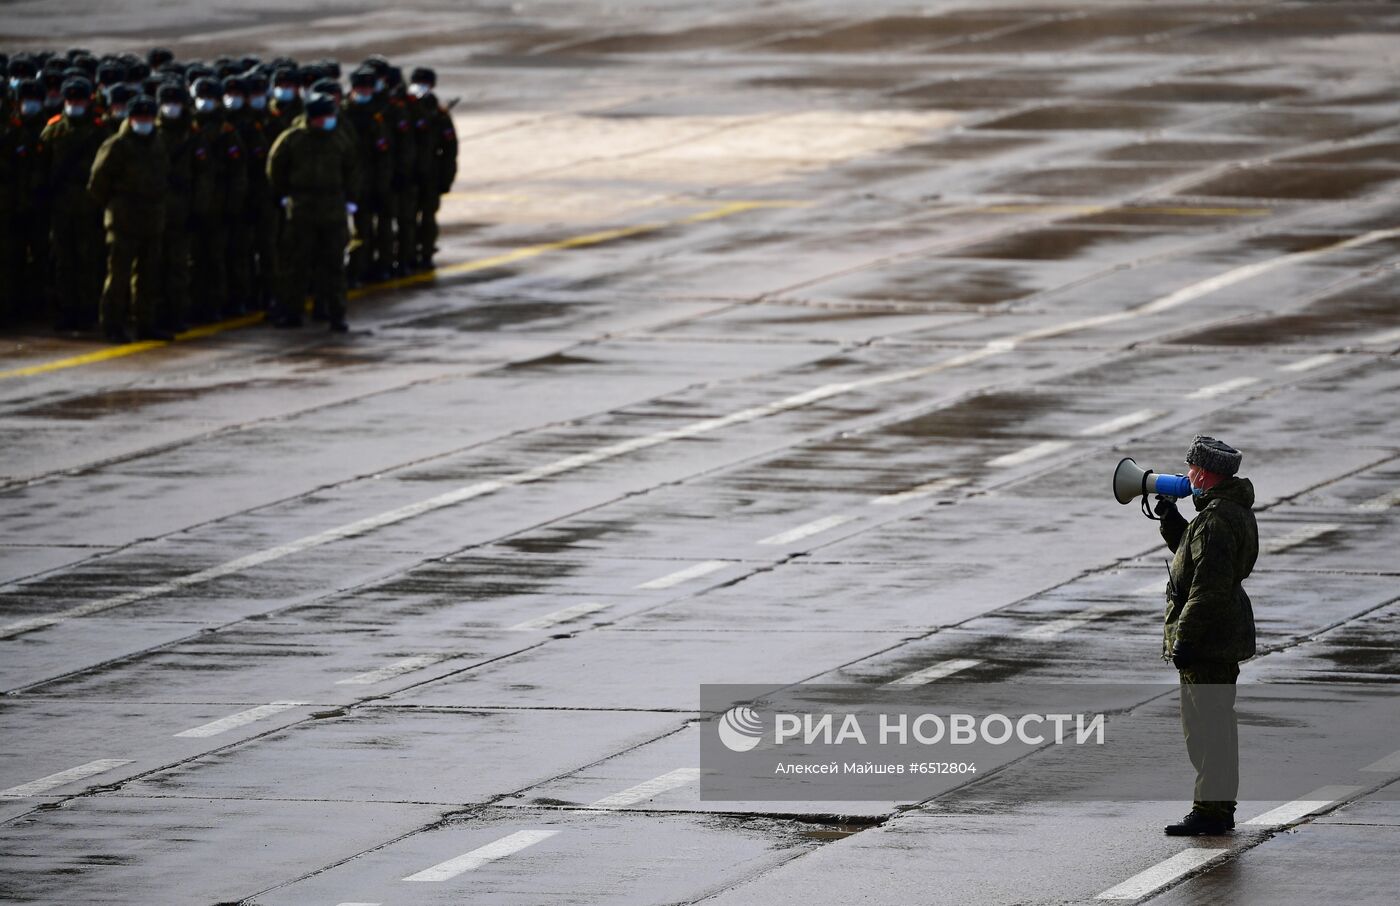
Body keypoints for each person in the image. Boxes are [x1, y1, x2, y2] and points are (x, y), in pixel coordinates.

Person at [1153, 435, 1257, 836]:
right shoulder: (1223, 512)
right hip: (1219, 635)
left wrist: (1186, 638)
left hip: (1209, 640)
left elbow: (1207, 588)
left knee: (1207, 729)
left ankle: (1211, 810)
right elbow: (1197, 559)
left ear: (1206, 472)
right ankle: (1215, 807)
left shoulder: (1216, 519)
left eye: (1193, 469)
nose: (1188, 475)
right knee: (1212, 726)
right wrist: (1173, 525)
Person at [267, 94, 359, 332]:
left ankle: (335, 313)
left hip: (333, 209)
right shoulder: (293, 140)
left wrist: (350, 199)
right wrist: (286, 194)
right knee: (297, 264)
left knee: (334, 266)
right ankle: (292, 312)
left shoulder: (339, 140)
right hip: (303, 210)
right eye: (325, 117)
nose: (329, 120)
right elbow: (275, 167)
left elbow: (353, 170)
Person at [89, 94, 169, 342]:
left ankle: (146, 324)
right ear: (130, 118)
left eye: (148, 117)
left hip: (151, 219)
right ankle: (112, 325)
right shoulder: (117, 145)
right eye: (139, 117)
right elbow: (97, 182)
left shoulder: (158, 143)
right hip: (124, 220)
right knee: (118, 277)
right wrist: (115, 206)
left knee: (148, 276)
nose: (143, 121)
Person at [40, 76, 107, 331]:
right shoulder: (54, 129)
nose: (74, 104)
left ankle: (88, 309)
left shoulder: (99, 130)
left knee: (89, 259)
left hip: (89, 206)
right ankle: (67, 309)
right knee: (64, 260)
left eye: (79, 99)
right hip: (61, 208)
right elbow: (42, 167)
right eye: (71, 99)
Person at [156, 82, 207, 333]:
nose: (171, 108)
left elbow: (202, 177)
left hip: (182, 212)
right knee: (152, 267)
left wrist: (198, 209)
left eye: (176, 103)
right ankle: (151, 315)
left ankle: (176, 315)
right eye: (167, 103)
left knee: (177, 267)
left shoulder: (192, 136)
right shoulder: (151, 135)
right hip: (153, 213)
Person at [407, 67, 455, 271]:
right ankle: (406, 256)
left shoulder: (439, 114)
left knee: (427, 218)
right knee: (406, 218)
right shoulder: (404, 109)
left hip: (430, 175)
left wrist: (446, 179)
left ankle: (425, 254)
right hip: (407, 173)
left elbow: (449, 150)